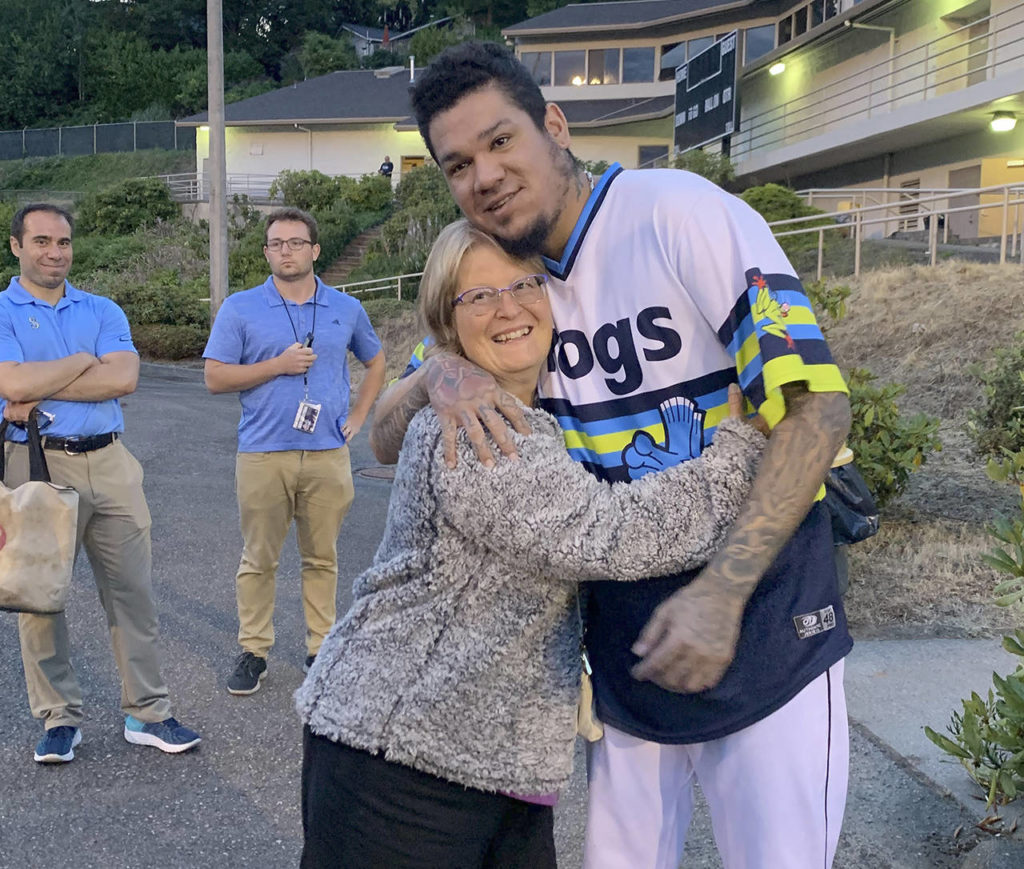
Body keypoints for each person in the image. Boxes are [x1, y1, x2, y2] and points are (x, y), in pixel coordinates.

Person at [370, 42, 854, 869]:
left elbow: (817, 407)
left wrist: (722, 592)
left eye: (500, 142)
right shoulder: (509, 279)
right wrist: (439, 370)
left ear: (554, 125)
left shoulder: (680, 212)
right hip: (624, 640)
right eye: (457, 165)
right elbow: (384, 433)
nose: (483, 176)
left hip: (764, 612)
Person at [296, 218, 766, 868]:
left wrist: (436, 371)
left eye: (525, 284)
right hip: (402, 761)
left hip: (497, 761)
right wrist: (743, 450)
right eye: (479, 295)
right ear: (448, 318)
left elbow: (385, 430)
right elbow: (609, 534)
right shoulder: (480, 432)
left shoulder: (525, 400)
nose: (509, 305)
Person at [0, 203, 201, 763]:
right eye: (41, 241)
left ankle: (148, 711)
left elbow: (127, 377)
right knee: (38, 598)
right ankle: (59, 719)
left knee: (132, 593)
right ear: (17, 246)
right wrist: (86, 363)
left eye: (63, 242)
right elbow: (8, 380)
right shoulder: (3, 312)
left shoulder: (103, 308)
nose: (54, 253)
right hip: (36, 466)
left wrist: (42, 386)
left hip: (111, 462)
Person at [204, 207, 386, 696]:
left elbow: (376, 361)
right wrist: (277, 366)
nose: (286, 251)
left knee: (321, 558)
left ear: (315, 250)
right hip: (263, 453)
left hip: (328, 453)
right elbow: (216, 377)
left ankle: (320, 648)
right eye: (277, 243)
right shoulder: (240, 308)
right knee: (258, 558)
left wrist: (358, 416)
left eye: (296, 242)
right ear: (266, 252)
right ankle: (253, 650)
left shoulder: (345, 308)